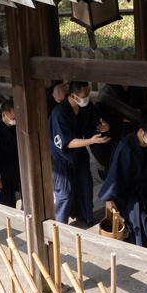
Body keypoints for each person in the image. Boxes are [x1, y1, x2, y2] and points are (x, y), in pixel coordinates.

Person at [98, 114, 147, 249]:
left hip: (146, 188)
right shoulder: (125, 147)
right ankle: (142, 254)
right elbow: (116, 173)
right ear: (141, 131)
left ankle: (141, 251)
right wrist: (110, 198)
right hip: (130, 192)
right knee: (141, 223)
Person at [49, 81, 109, 225]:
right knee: (65, 193)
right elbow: (67, 142)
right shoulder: (59, 113)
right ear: (73, 96)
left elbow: (96, 122)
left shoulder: (86, 107)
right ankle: (60, 226)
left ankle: (84, 218)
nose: (86, 98)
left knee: (85, 188)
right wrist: (91, 141)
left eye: (88, 95)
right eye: (84, 96)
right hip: (62, 157)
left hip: (80, 153)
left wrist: (104, 127)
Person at [93, 83, 147, 179]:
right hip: (112, 139)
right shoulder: (108, 92)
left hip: (132, 136)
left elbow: (145, 108)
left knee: (134, 173)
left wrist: (130, 116)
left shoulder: (140, 87)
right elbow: (102, 117)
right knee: (113, 176)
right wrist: (123, 119)